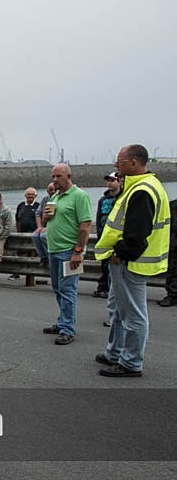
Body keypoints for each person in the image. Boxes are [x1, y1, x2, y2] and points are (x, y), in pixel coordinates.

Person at [94, 144, 170, 377]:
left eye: (120, 160)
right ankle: (115, 352)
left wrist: (120, 254)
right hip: (127, 261)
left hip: (130, 262)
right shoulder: (140, 186)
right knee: (118, 309)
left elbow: (137, 235)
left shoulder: (142, 191)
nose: (117, 164)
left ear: (134, 162)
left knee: (133, 315)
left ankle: (130, 363)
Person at [40, 164, 92, 345]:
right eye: (53, 176)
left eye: (58, 176)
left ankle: (67, 329)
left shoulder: (80, 196)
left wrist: (78, 251)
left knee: (68, 290)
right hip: (54, 250)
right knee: (57, 288)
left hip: (69, 251)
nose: (55, 180)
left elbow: (85, 225)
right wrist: (46, 216)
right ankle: (63, 321)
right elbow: (46, 222)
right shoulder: (55, 196)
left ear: (69, 176)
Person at [92, 172, 122, 299]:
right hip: (104, 237)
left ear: (119, 182)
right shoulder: (103, 200)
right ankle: (103, 287)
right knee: (104, 265)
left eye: (113, 180)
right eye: (108, 180)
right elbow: (99, 218)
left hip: (117, 240)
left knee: (114, 268)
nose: (109, 182)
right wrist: (99, 235)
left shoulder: (122, 199)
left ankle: (112, 289)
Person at [157, 199, 177, 307]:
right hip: (172, 244)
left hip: (172, 243)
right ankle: (172, 294)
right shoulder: (172, 205)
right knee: (172, 270)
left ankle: (173, 295)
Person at [32, 182, 56, 265]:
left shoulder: (58, 199)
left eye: (54, 190)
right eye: (50, 190)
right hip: (44, 225)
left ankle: (49, 257)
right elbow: (38, 213)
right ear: (47, 191)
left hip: (53, 227)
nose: (53, 191)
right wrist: (39, 227)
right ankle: (43, 257)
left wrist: (47, 227)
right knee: (35, 236)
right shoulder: (45, 199)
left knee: (43, 236)